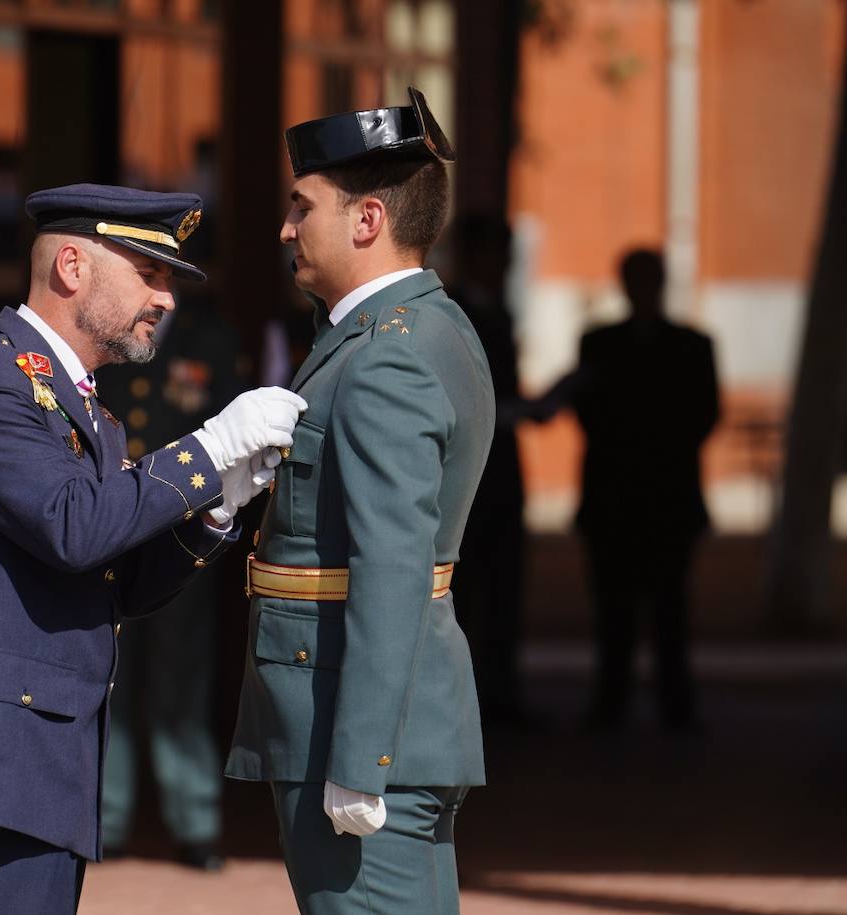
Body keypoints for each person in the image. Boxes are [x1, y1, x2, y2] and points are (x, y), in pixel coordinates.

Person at [0, 183, 306, 914]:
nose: (167, 298)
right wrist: (209, 445)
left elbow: (119, 581)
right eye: (149, 274)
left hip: (42, 766)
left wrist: (214, 508)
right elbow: (75, 525)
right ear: (73, 267)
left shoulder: (87, 409)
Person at [225, 89, 496, 914]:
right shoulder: (422, 327)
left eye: (302, 206)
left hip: (354, 726)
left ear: (367, 219)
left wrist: (362, 756)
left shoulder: (384, 359)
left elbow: (393, 563)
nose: (286, 227)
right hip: (374, 715)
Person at [541, 248, 719, 732]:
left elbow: (703, 416)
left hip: (661, 500)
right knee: (615, 610)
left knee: (668, 609)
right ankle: (616, 702)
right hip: (619, 501)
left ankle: (670, 705)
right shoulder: (606, 344)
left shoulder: (685, 345)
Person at [98, 304, 244, 870]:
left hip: (183, 538)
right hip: (110, 530)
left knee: (181, 685)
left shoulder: (210, 339)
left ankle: (196, 822)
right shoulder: (108, 333)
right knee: (111, 680)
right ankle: (106, 819)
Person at [446, 213, 533, 729]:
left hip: (502, 476)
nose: (504, 266)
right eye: (497, 255)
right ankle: (471, 707)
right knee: (467, 593)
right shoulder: (454, 313)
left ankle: (501, 698)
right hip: (469, 480)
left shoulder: (498, 311)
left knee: (504, 590)